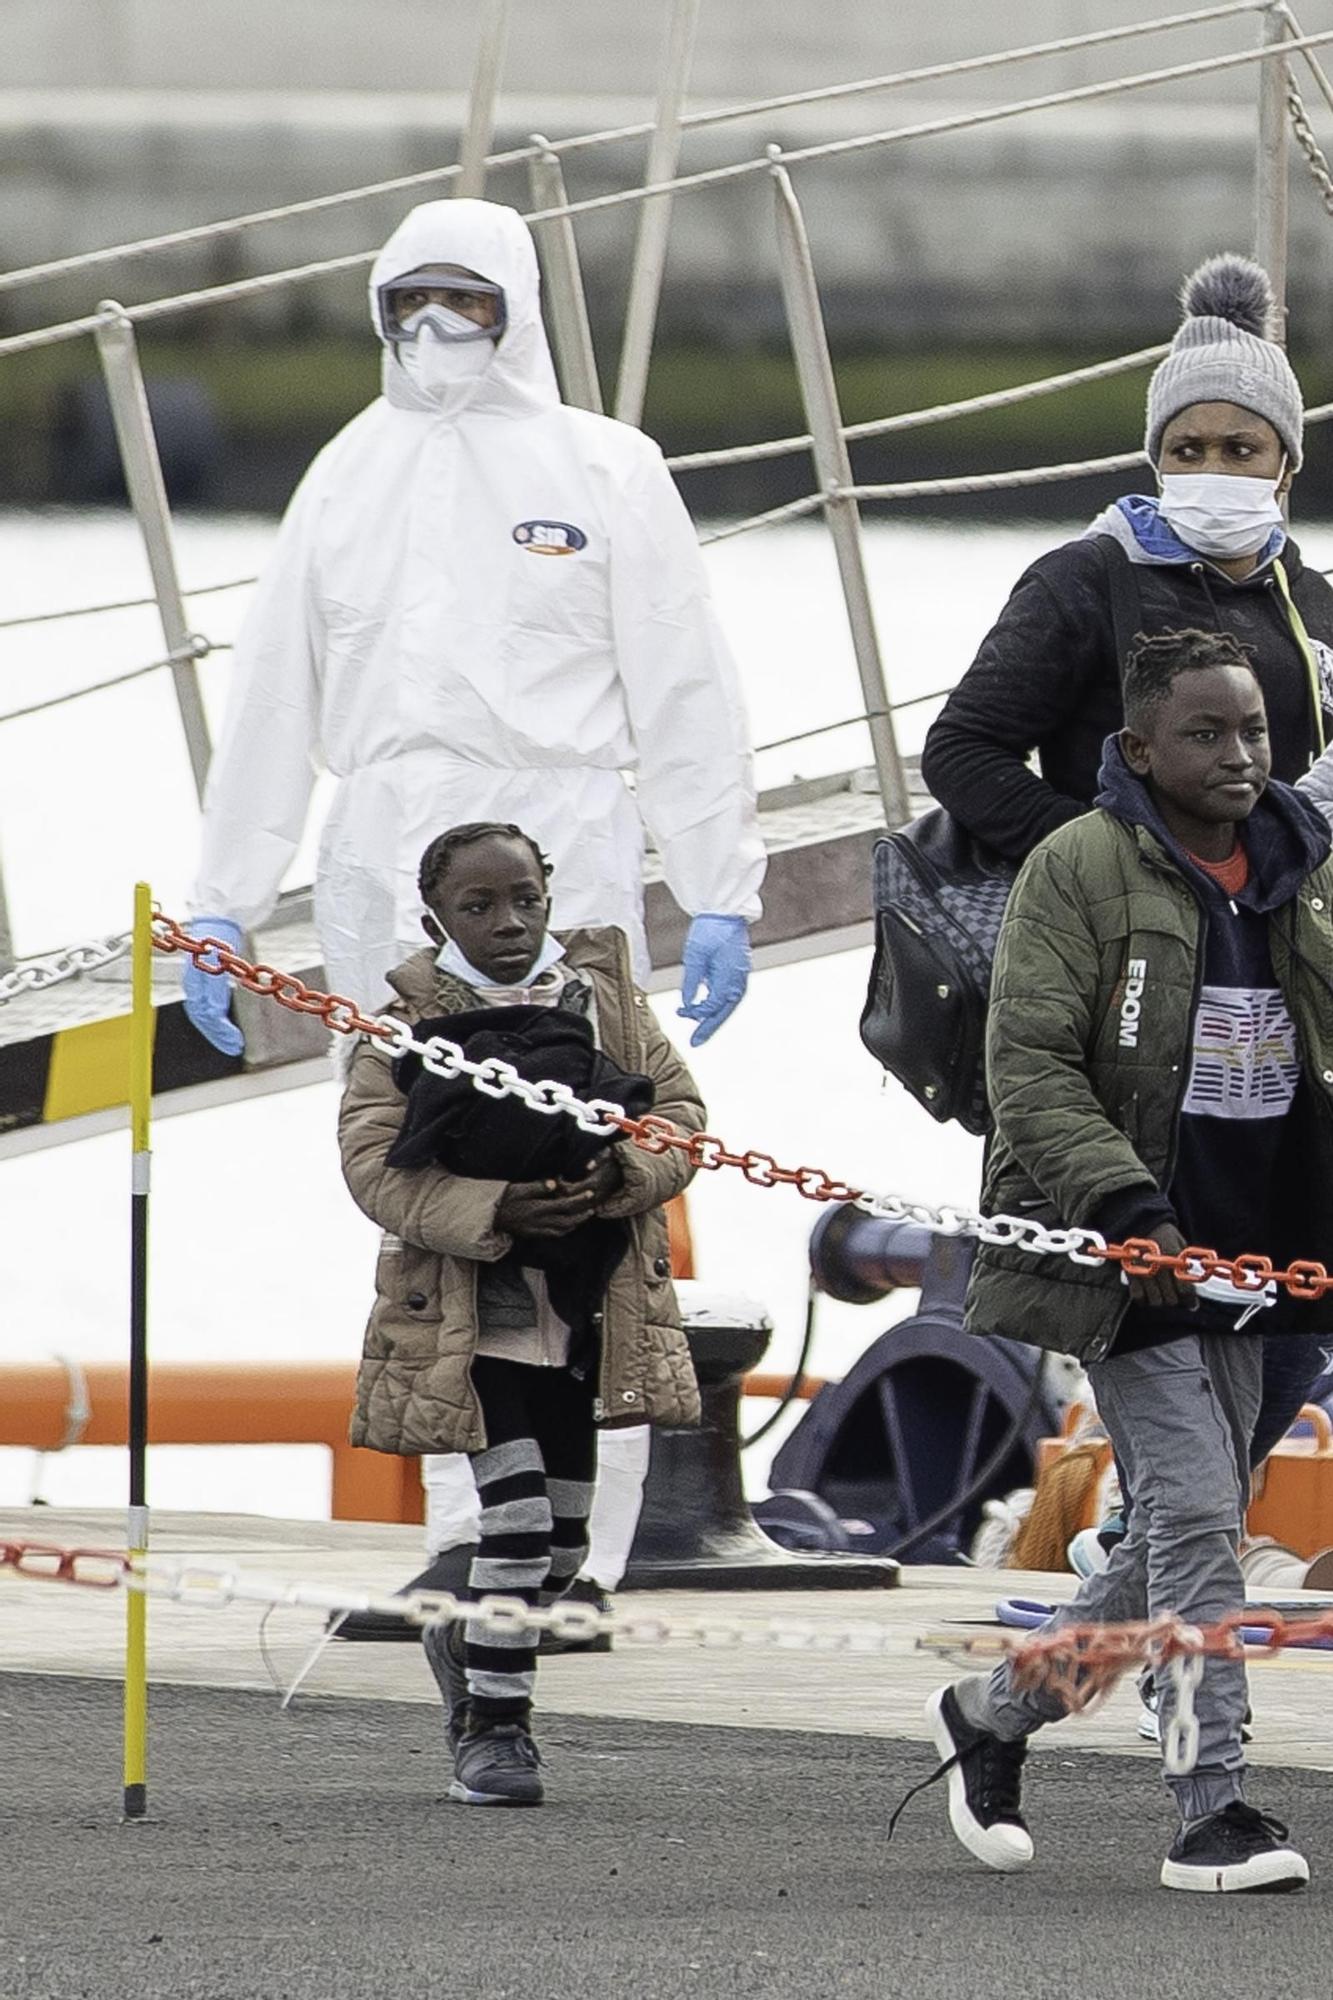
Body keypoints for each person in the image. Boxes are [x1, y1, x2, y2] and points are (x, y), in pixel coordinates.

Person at [182, 198, 764, 1596]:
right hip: (392, 859)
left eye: (469, 303)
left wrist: (718, 880)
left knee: (595, 1200)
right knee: (429, 1200)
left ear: (514, 305)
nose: (440, 331)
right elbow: (274, 695)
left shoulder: (603, 469)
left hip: (562, 846)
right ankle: (471, 1539)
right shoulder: (349, 475)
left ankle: (583, 1552)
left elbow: (686, 685)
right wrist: (225, 896)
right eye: (413, 305)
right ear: (382, 312)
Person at [921, 250, 1333, 1555]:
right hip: (1131, 999)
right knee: (1160, 1305)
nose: (1216, 467)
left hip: (1274, 999)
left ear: (1287, 463)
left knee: (1283, 1348)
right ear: (1157, 451)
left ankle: (1149, 1543)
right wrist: (1097, 867)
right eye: (1191, 443)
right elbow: (964, 752)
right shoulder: (1079, 580)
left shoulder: (1304, 603)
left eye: (1245, 446)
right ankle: (1166, 1561)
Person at [912, 627, 1333, 1892]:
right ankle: (1213, 1807)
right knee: (1201, 1510)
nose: (1237, 754)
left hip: (1279, 1255)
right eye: (1204, 733)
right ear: (1138, 748)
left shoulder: (1306, 865)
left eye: (1254, 730)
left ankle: (988, 1716)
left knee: (1166, 1541)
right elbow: (1027, 1065)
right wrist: (1125, 1204)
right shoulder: (1078, 865)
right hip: (1134, 1254)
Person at [338, 820, 704, 1805]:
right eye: (478, 905)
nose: (508, 922)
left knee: (566, 1544)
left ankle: (469, 1638)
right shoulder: (398, 1024)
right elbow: (374, 1168)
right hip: (474, 1312)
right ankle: (495, 1732)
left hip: (583, 1304)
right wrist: (495, 1205)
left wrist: (623, 1172)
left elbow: (680, 1110)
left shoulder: (604, 999)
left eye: (525, 899)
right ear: (434, 917)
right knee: (516, 1522)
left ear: (548, 892)